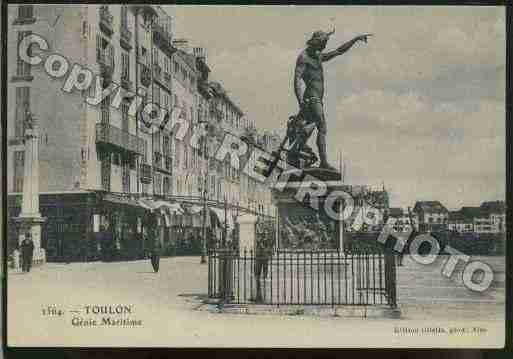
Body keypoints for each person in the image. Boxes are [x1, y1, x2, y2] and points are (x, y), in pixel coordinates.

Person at [294, 30, 371, 170]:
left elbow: (338, 51)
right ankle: (321, 160)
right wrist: (300, 101)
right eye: (322, 44)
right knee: (321, 126)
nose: (323, 48)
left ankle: (300, 146)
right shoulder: (303, 58)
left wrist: (355, 39)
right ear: (316, 42)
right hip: (311, 98)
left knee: (315, 125)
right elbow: (297, 81)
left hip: (317, 98)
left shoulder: (317, 55)